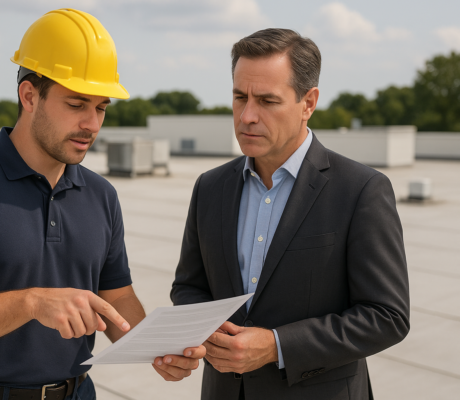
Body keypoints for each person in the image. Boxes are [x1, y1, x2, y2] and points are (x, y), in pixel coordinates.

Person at [0, 9, 204, 400]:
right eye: (77, 104)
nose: (92, 125)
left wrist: (156, 348)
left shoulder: (101, 195)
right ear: (29, 95)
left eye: (100, 108)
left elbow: (116, 298)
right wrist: (31, 302)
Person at [170, 28, 410, 400]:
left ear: (308, 102)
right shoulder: (210, 187)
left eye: (267, 101)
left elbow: (386, 316)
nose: (247, 116)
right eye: (239, 97)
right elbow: (189, 287)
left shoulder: (361, 189)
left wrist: (276, 345)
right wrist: (206, 333)